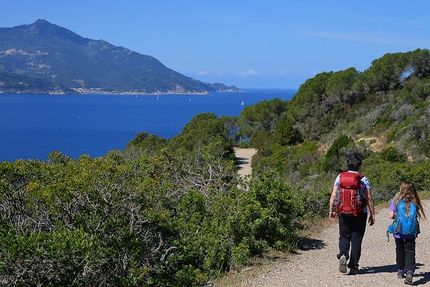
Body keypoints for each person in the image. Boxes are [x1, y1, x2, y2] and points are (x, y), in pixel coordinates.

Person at [329, 153, 375, 275]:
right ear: (359, 166)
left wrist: (331, 210)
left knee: (344, 235)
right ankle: (354, 267)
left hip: (343, 211)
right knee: (356, 238)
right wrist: (372, 214)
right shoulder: (363, 179)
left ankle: (343, 254)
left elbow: (334, 195)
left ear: (348, 164)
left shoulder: (340, 177)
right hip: (360, 213)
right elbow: (369, 198)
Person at [389, 181, 426, 285]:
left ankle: (400, 270)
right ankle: (409, 271)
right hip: (411, 231)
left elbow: (391, 215)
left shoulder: (396, 199)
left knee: (400, 250)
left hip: (399, 231)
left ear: (401, 189)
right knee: (410, 250)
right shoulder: (415, 201)